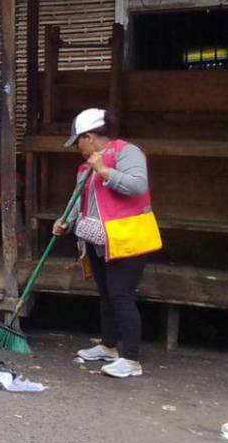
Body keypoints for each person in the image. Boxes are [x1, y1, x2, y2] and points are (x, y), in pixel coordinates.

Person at [53, 108, 161, 379]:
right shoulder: (86, 165)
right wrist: (65, 220)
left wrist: (104, 171)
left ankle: (132, 359)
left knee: (121, 296)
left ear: (90, 136)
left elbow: (137, 186)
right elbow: (80, 199)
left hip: (128, 239)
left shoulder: (128, 152)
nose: (77, 147)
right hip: (99, 240)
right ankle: (109, 346)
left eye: (78, 140)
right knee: (107, 295)